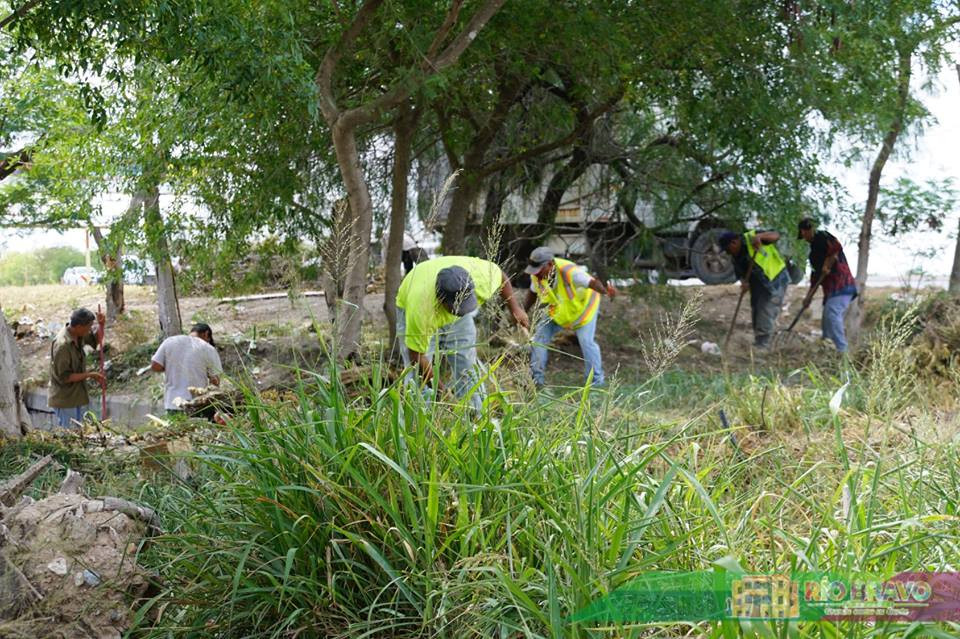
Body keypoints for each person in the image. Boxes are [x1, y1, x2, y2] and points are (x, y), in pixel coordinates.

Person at [395, 255, 530, 411]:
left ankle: (475, 418)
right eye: (456, 308)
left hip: (454, 316)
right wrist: (443, 393)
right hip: (419, 310)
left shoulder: (481, 276)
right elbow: (417, 356)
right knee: (417, 379)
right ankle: (419, 424)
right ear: (440, 300)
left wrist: (515, 309)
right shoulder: (420, 309)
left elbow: (500, 275)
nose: (461, 310)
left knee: (467, 367)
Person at [523, 247, 617, 388]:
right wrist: (522, 312)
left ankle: (596, 384)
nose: (536, 275)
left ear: (550, 264)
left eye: (539, 270)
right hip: (559, 312)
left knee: (586, 342)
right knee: (539, 340)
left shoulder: (570, 272)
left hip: (583, 311)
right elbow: (532, 294)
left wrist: (605, 290)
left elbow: (592, 283)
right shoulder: (537, 276)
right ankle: (537, 382)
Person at [719, 229, 790, 349]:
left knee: (765, 309)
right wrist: (744, 283)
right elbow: (741, 275)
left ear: (734, 242)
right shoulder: (735, 258)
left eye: (727, 249)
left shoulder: (751, 237)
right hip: (758, 285)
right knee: (756, 309)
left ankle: (763, 345)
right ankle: (759, 342)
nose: (728, 252)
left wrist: (760, 237)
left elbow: (776, 235)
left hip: (775, 279)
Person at [797, 218, 858, 352]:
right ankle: (827, 348)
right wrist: (808, 297)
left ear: (807, 231)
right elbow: (815, 278)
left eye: (806, 231)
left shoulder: (824, 237)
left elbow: (836, 249)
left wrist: (827, 263)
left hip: (842, 285)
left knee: (832, 313)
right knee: (826, 320)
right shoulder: (813, 254)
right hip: (830, 291)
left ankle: (843, 351)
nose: (805, 236)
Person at [49, 308, 105, 429]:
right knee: (70, 437)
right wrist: (89, 375)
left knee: (79, 435)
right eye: (89, 327)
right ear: (79, 326)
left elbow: (96, 340)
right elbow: (65, 377)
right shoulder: (62, 345)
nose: (90, 330)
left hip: (77, 396)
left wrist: (101, 324)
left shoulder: (79, 335)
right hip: (65, 400)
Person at [150, 323, 223, 415]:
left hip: (173, 404)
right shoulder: (208, 348)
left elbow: (155, 365)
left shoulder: (170, 341)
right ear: (206, 334)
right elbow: (215, 381)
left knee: (173, 429)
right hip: (198, 405)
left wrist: (171, 368)